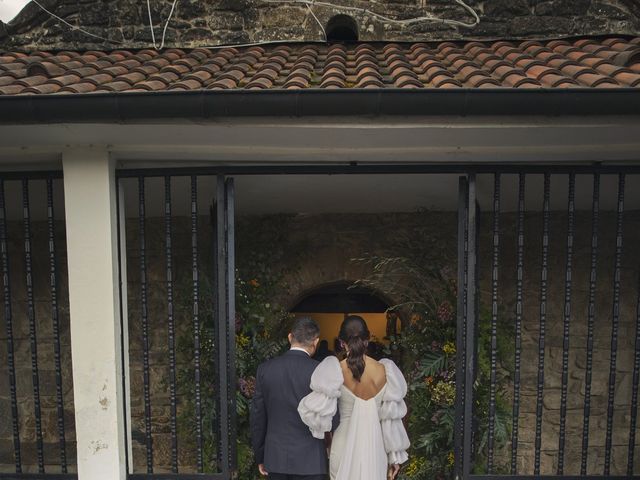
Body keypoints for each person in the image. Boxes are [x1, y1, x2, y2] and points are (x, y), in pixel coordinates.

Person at [298, 315, 410, 480]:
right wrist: (395, 456)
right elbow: (390, 419)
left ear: (342, 342)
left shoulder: (334, 370)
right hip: (375, 448)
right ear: (368, 338)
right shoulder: (386, 371)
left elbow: (315, 414)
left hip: (342, 445)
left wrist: (327, 439)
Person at [250, 317, 327, 480]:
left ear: (290, 337)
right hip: (311, 460)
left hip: (276, 458)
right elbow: (332, 418)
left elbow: (258, 419)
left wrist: (261, 456)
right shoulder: (321, 371)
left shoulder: (265, 369)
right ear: (316, 341)